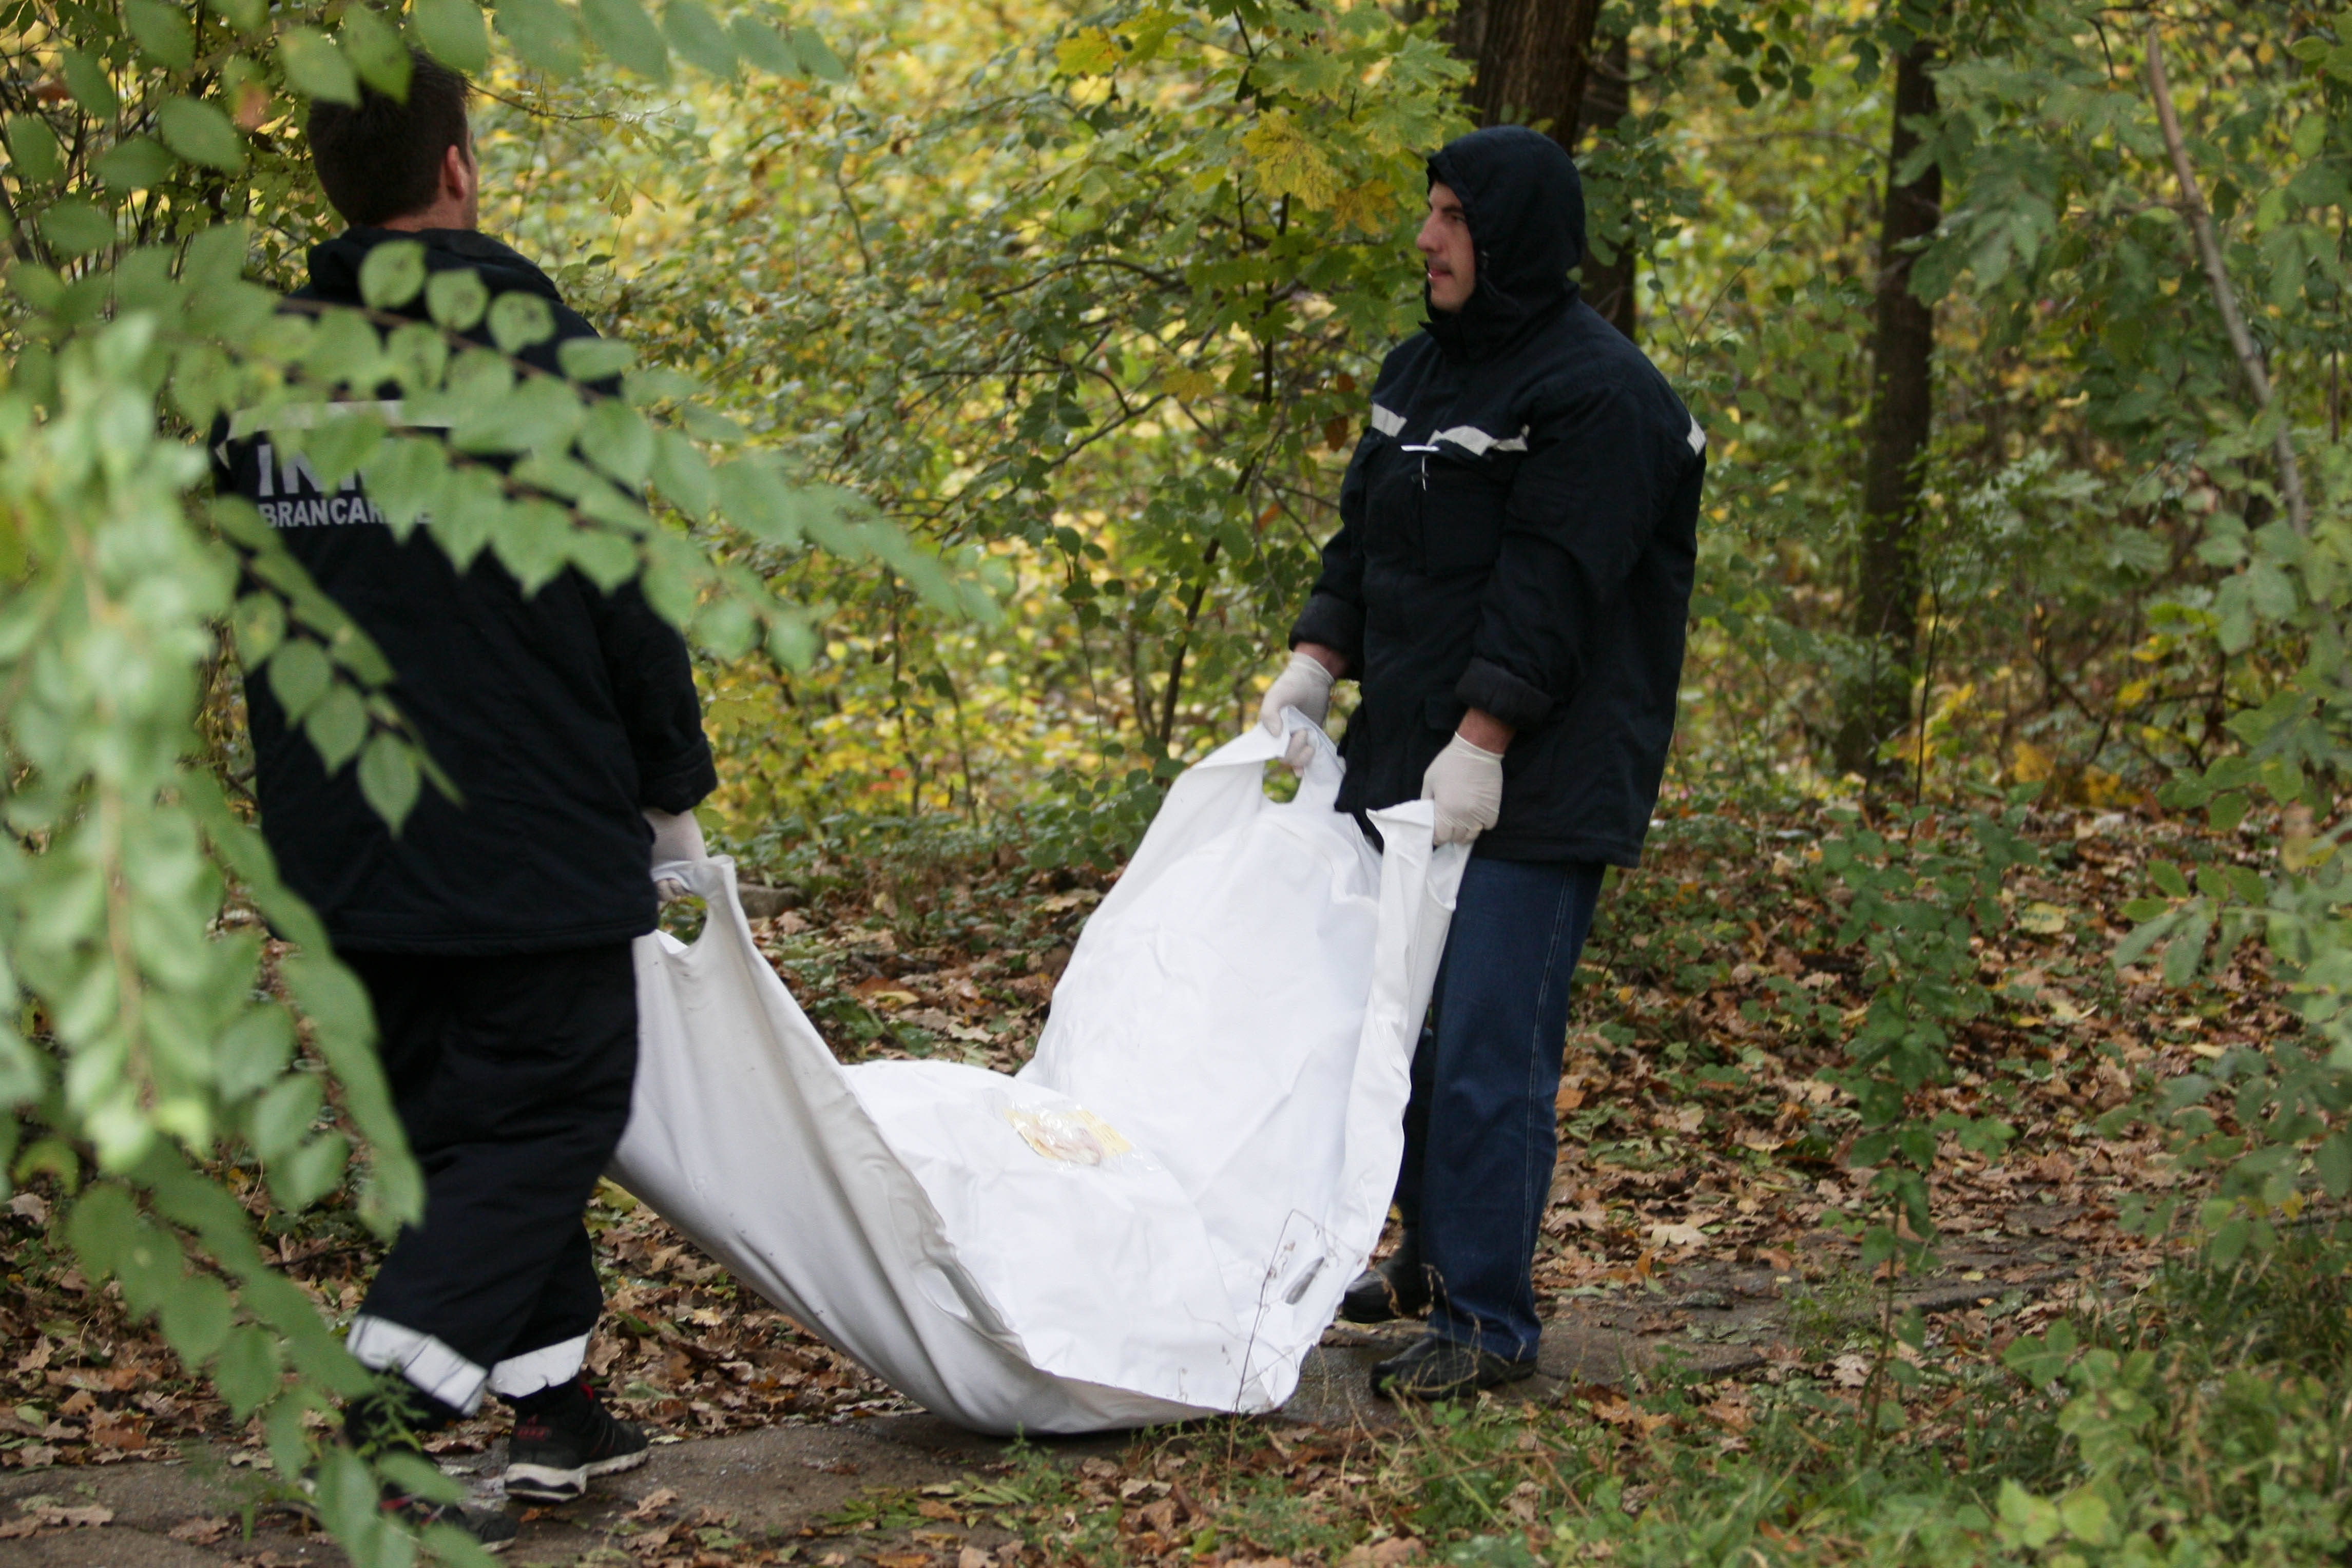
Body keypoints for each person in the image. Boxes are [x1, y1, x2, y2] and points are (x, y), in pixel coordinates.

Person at [214, 51, 716, 1544]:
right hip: (519, 826)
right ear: (455, 168)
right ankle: (382, 1424)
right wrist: (669, 792)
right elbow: (621, 595)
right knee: (553, 1107)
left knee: (459, 1120)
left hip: (344, 836)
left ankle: (556, 1410)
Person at [1258, 125, 1705, 1400]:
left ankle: (1489, 1318)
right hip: (1409, 756)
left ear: (1508, 235)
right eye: (1429, 210)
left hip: (1532, 780)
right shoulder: (1425, 366)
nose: (1426, 236)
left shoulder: (1602, 395)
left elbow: (1553, 588)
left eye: (1451, 215)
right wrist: (1311, 661)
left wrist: (1481, 742)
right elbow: (1366, 538)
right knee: (1389, 1026)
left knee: (1485, 1047)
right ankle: (1421, 1259)